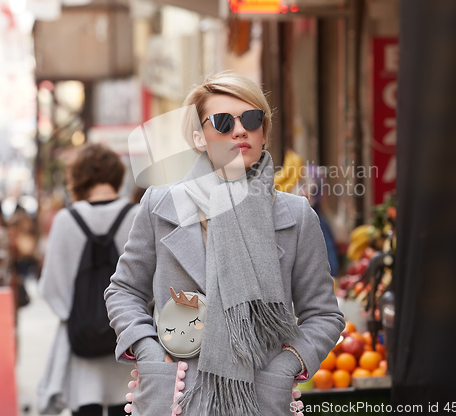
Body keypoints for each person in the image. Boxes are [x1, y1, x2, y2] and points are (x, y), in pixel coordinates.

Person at [104, 73, 345, 416]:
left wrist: (286, 366)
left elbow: (323, 314)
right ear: (199, 138)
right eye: (222, 122)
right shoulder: (160, 204)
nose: (240, 130)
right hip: (175, 395)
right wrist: (148, 351)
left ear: (263, 132)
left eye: (252, 119)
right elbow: (124, 290)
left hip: (260, 399)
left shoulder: (296, 216)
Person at [37, 144, 140, 416]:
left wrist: (76, 314)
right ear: (116, 175)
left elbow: (50, 287)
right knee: (127, 404)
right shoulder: (136, 215)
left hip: (81, 346)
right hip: (128, 343)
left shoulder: (65, 220)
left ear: (78, 177)